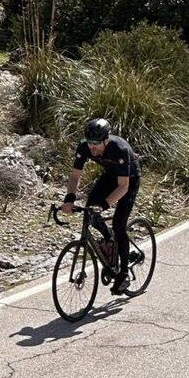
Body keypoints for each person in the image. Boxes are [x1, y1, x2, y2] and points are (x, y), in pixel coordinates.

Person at [60, 118, 141, 296]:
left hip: (129, 179)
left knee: (119, 225)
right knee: (90, 213)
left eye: (96, 144)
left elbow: (123, 187)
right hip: (109, 176)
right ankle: (109, 241)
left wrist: (104, 206)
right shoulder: (83, 147)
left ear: (106, 140)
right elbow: (74, 176)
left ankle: (124, 273)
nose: (92, 148)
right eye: (90, 143)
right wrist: (69, 198)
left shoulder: (119, 149)